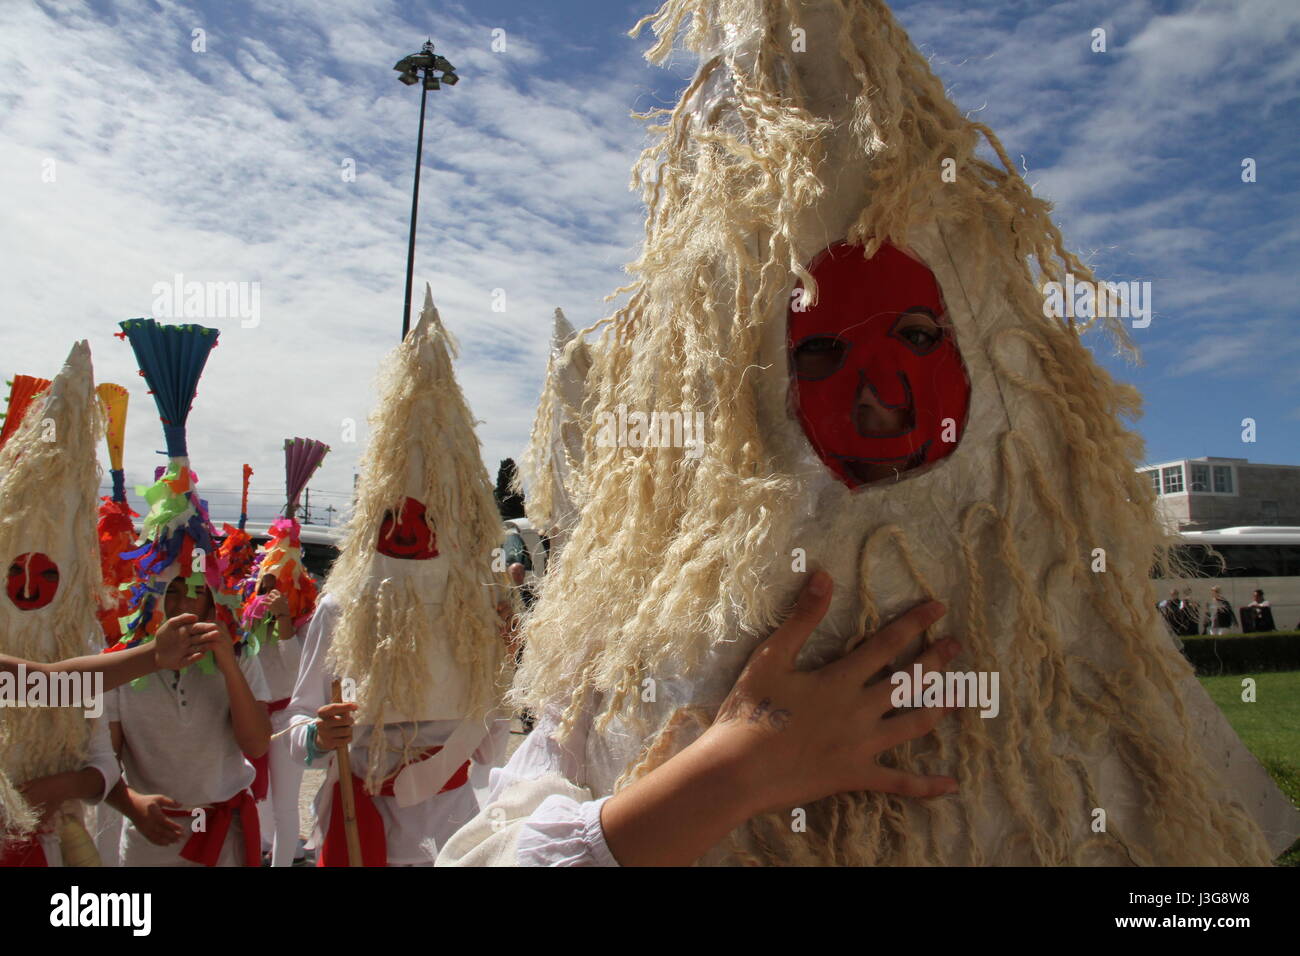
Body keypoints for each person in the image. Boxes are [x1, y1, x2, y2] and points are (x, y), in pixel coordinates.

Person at [104, 577, 271, 866]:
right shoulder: (121, 663)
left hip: (224, 837)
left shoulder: (240, 653)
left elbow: (256, 745)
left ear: (212, 598)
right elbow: (104, 761)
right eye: (172, 592)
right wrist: (131, 805)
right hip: (151, 838)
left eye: (196, 593)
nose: (181, 605)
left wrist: (228, 663)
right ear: (152, 594)